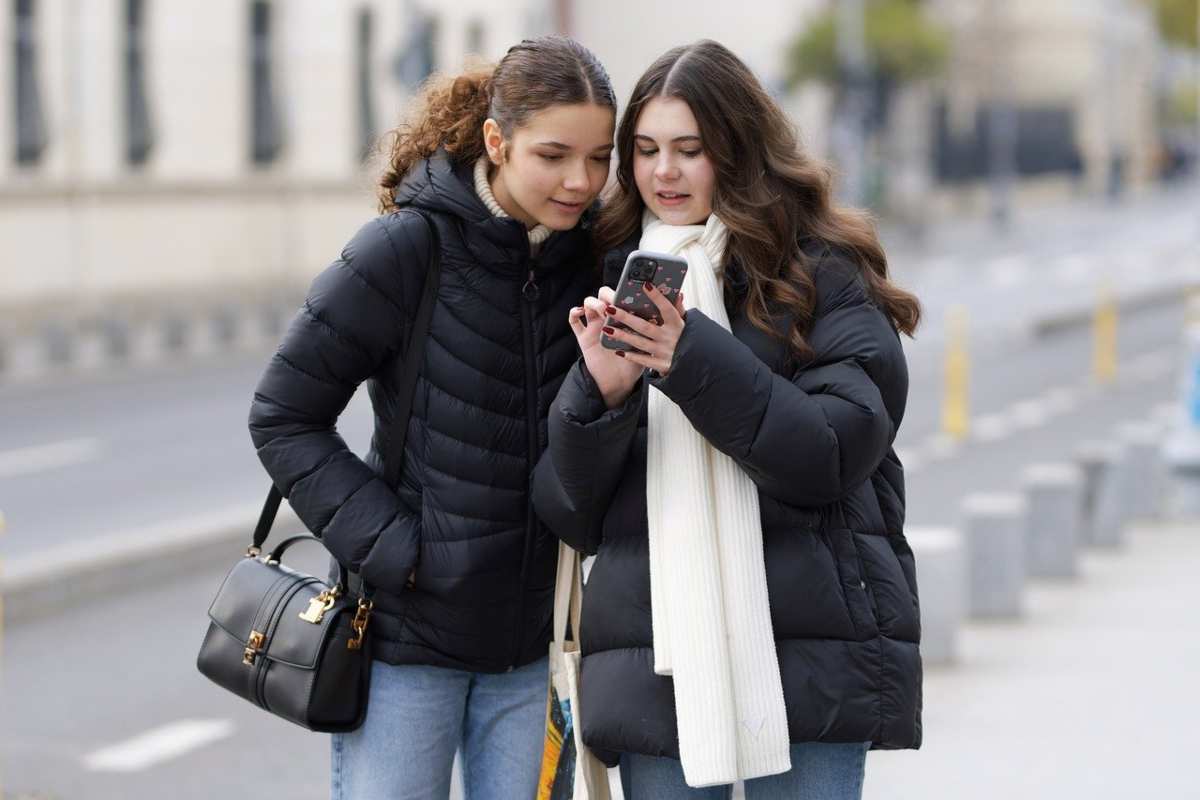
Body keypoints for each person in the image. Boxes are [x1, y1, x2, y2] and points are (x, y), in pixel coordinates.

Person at [532, 40, 923, 800]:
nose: (663, 173)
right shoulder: (604, 275)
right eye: (644, 151)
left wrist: (690, 358)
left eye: (689, 149)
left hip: (810, 654)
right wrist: (601, 397)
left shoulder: (820, 274)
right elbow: (569, 509)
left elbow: (835, 453)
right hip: (658, 662)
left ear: (738, 151)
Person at [247, 36, 616, 800]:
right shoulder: (407, 247)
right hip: (402, 647)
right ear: (496, 140)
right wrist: (399, 551)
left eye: (600, 158)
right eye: (554, 155)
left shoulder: (594, 262)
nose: (581, 181)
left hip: (533, 652)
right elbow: (283, 414)